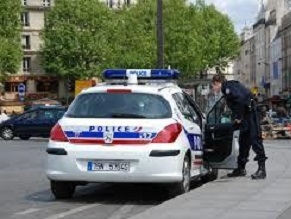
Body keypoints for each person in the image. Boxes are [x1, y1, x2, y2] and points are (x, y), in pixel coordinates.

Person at [212, 75, 268, 180]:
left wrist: (239, 117)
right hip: (247, 115)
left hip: (250, 115)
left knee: (255, 140)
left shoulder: (227, 88)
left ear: (217, 82)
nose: (213, 89)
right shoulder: (230, 86)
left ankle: (262, 170)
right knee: (243, 142)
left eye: (213, 86)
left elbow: (241, 100)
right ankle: (240, 168)